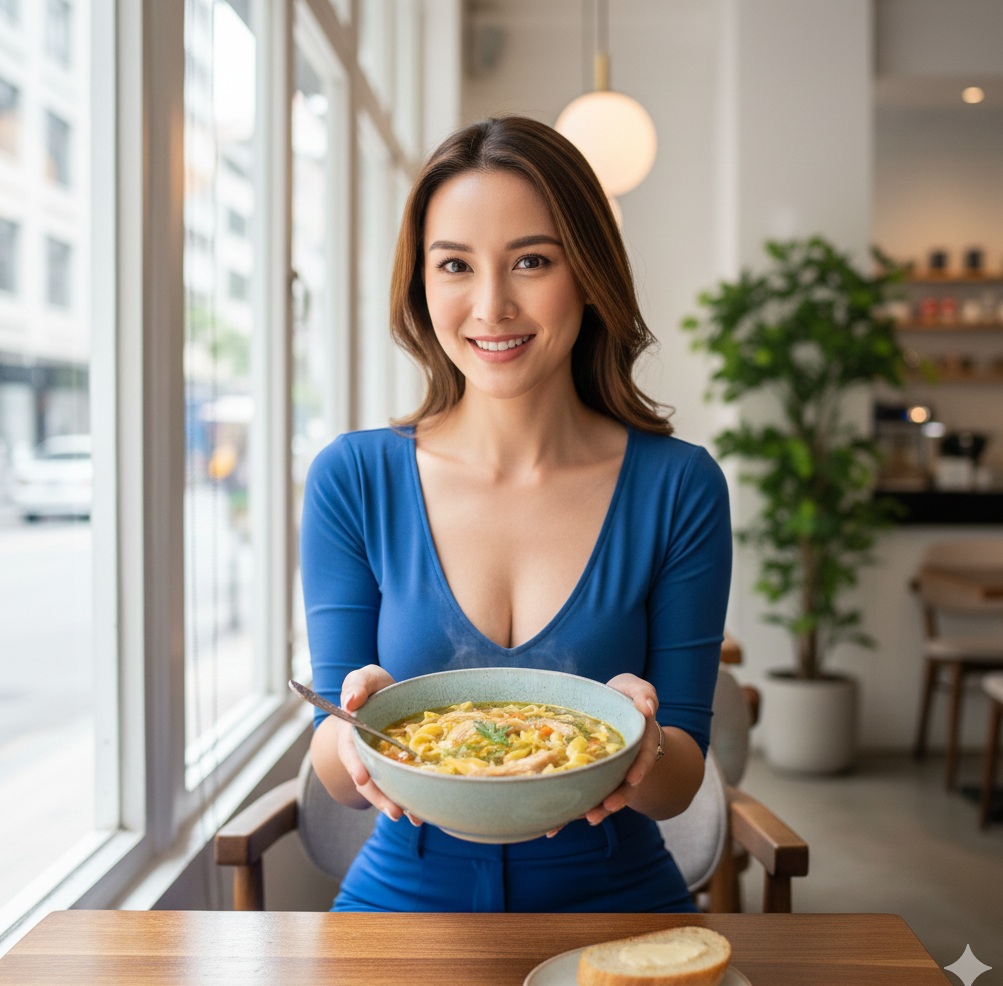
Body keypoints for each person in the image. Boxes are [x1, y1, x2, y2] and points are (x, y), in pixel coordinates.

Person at [303, 115, 731, 913]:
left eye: (532, 260)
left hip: (619, 902)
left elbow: (679, 785)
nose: (492, 304)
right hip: (401, 902)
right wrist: (351, 726)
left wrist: (645, 741)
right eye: (456, 264)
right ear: (421, 285)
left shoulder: (681, 487)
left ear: (590, 273)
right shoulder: (353, 478)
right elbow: (340, 779)